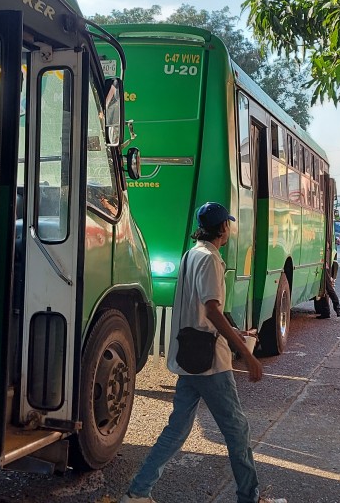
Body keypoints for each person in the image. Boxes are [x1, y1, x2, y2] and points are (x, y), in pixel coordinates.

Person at [121, 202, 286, 503]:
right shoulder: (211, 259)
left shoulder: (191, 254)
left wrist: (236, 332)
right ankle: (249, 497)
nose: (230, 230)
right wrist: (246, 354)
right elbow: (211, 310)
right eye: (229, 225)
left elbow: (200, 309)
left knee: (177, 431)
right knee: (237, 431)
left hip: (189, 356)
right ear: (223, 228)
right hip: (210, 363)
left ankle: (138, 492)